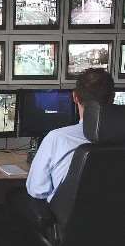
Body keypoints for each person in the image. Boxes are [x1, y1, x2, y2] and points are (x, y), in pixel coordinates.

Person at [26, 68, 115, 202]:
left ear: (75, 97)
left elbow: (38, 190)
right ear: (113, 98)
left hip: (69, 219)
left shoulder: (56, 138)